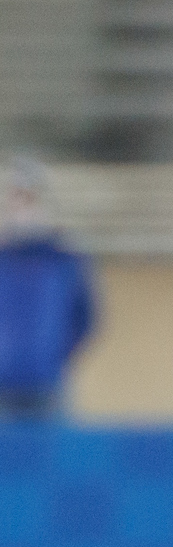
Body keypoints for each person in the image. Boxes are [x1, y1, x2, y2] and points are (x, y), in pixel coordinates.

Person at [0, 158, 96, 419]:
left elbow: (86, 320)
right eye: (18, 198)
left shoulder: (65, 261)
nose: (23, 208)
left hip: (49, 390)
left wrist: (53, 358)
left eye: (31, 199)